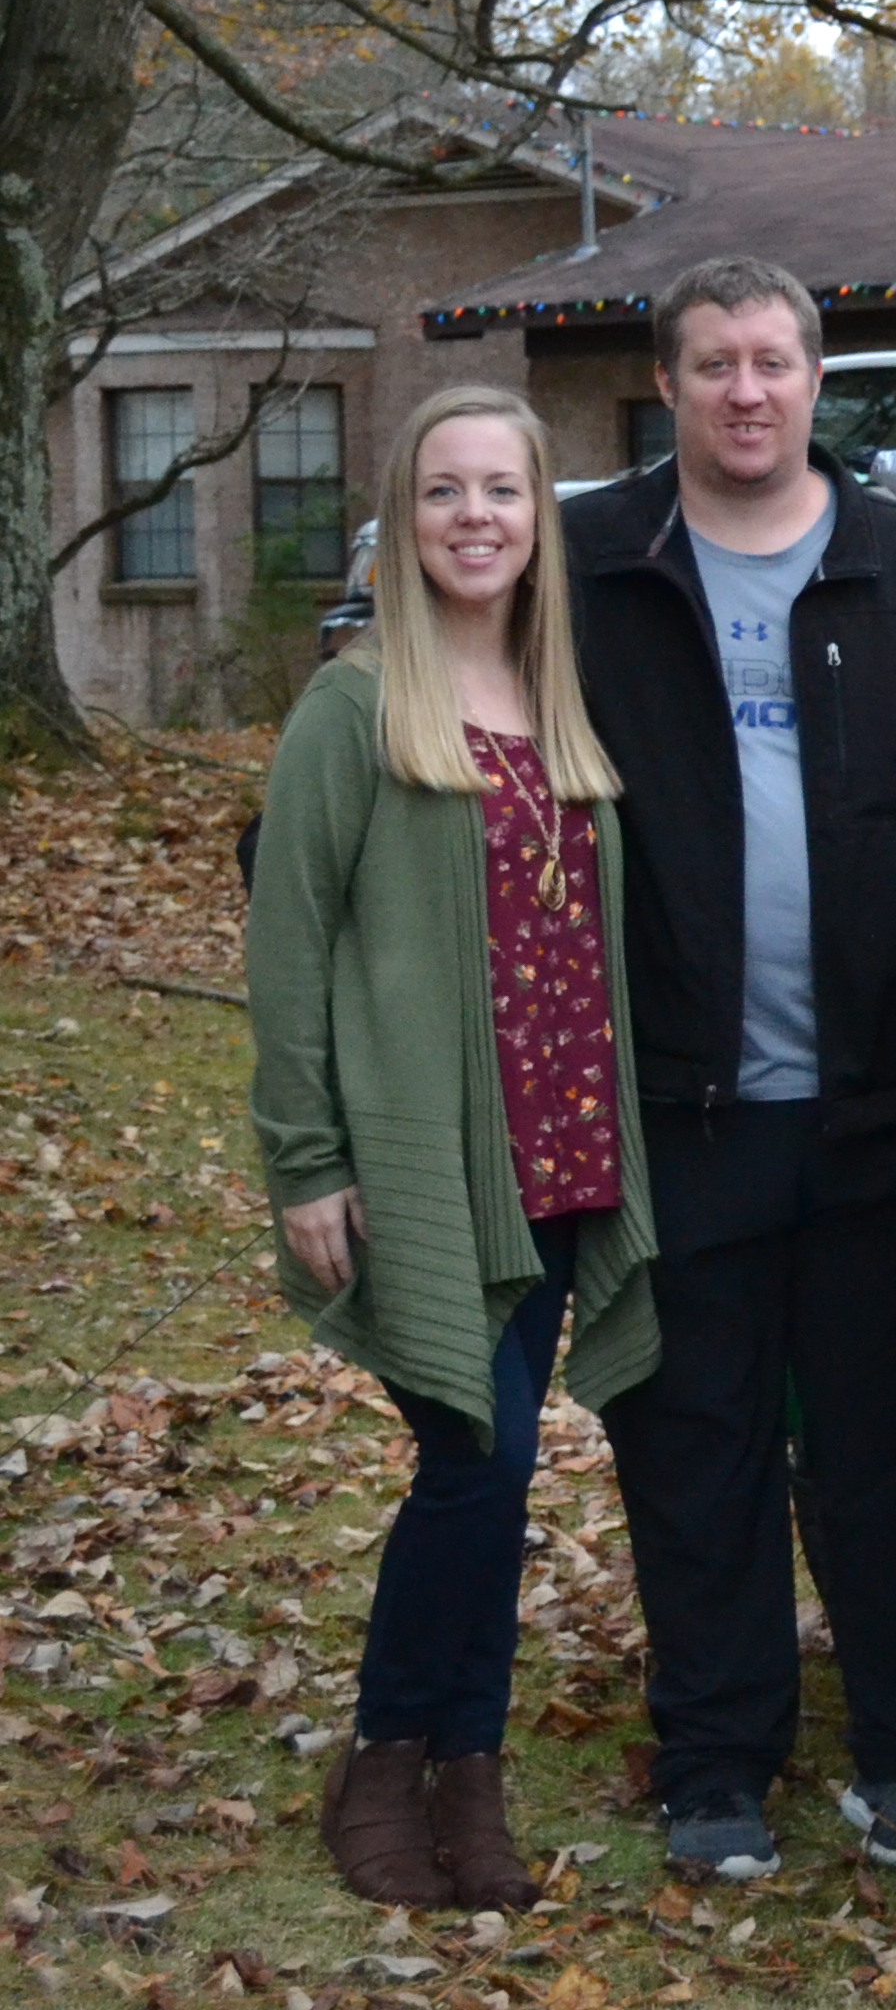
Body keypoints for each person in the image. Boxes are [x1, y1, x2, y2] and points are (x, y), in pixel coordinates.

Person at [568, 255, 896, 1881]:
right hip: (677, 1105)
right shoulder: (593, 566)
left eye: (772, 361)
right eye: (713, 365)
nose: (746, 392)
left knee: (889, 1453)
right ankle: (716, 1766)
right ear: (668, 385)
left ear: (817, 378)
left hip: (880, 1110)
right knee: (692, 1448)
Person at [253, 386, 661, 1913]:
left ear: (538, 516)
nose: (474, 517)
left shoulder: (569, 699)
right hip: (429, 1153)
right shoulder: (353, 710)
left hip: (564, 1151)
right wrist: (305, 1160)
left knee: (496, 1473)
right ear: (402, 517)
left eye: (502, 490)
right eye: (444, 491)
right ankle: (387, 1763)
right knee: (473, 1465)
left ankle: (467, 1777)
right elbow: (290, 948)